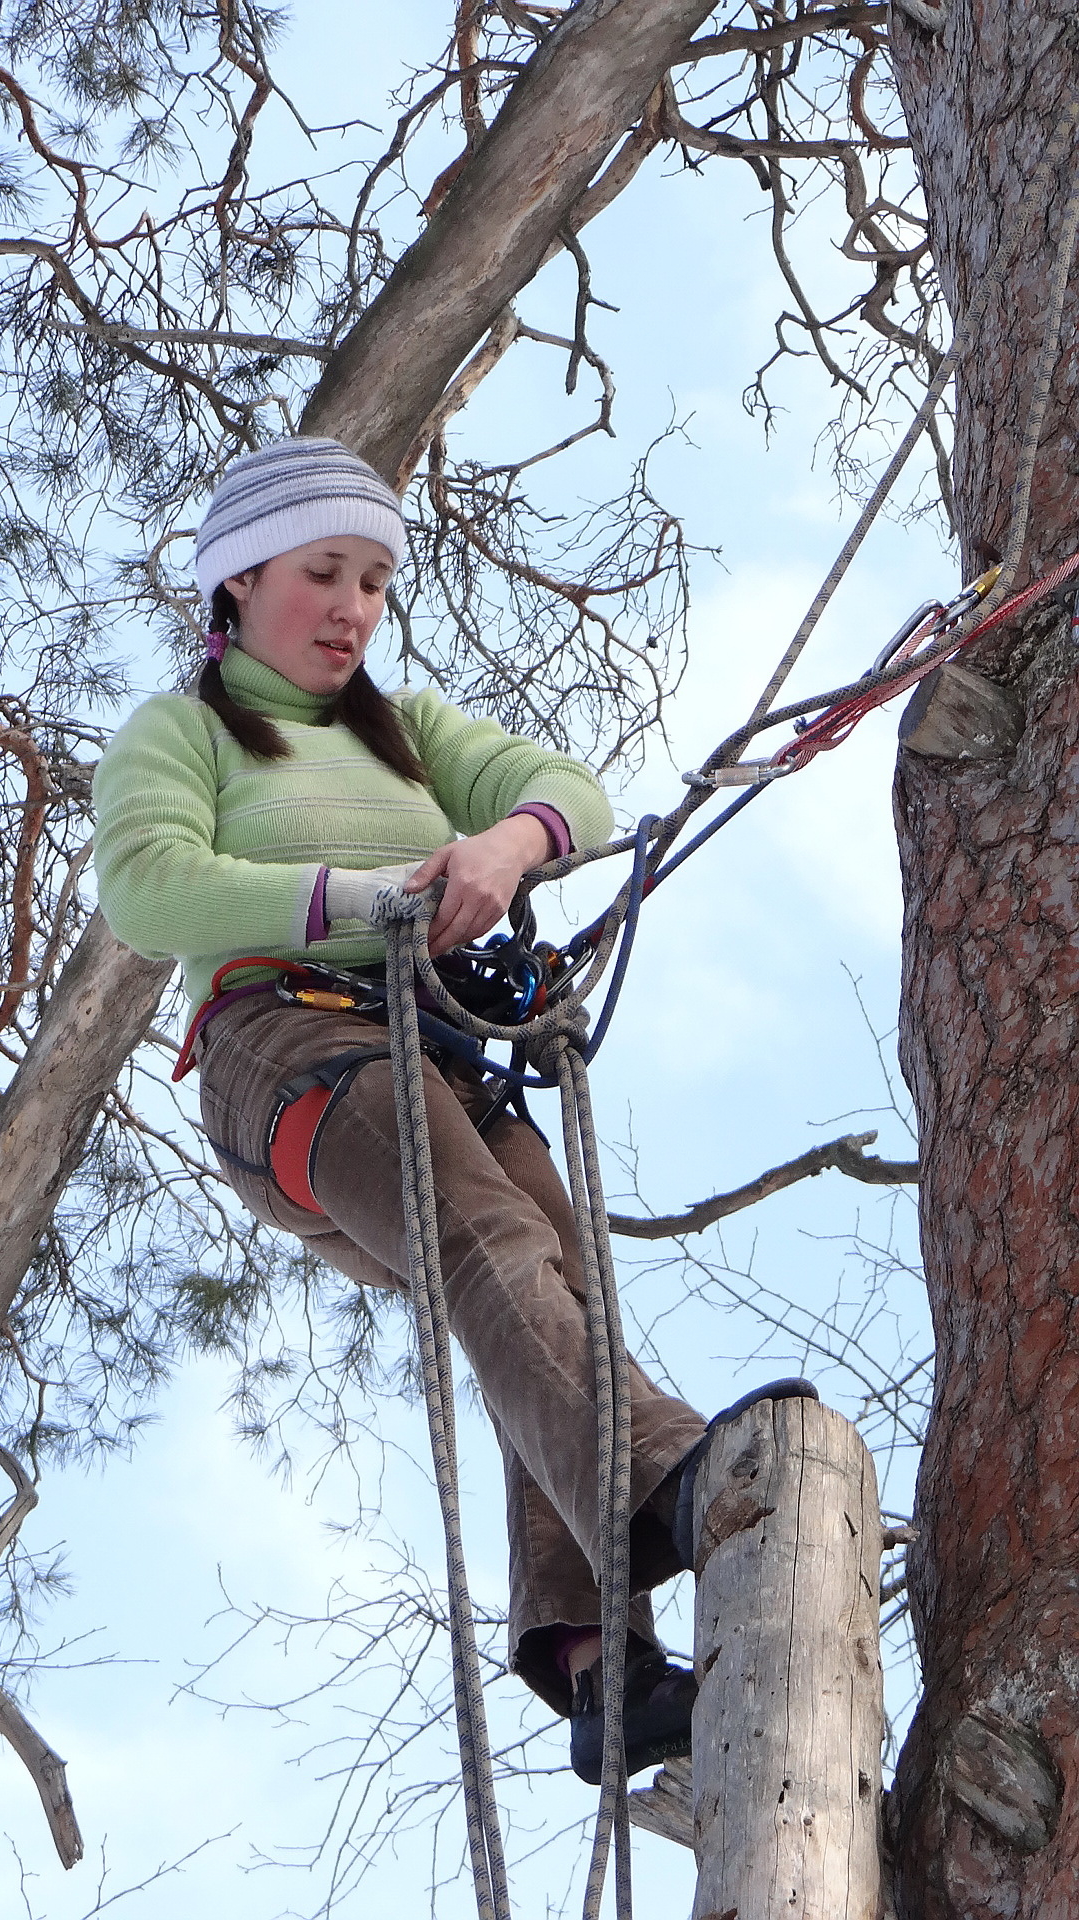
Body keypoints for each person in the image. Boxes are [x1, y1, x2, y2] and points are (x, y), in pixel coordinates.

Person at [92, 437, 815, 1784]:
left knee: (555, 1286)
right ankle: (668, 1476)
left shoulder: (410, 732)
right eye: (325, 573)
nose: (356, 606)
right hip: (285, 1043)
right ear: (238, 583)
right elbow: (148, 886)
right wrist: (358, 903)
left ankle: (598, 1657)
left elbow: (572, 796)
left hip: (439, 1045)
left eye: (373, 579)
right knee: (485, 1237)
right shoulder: (183, 733)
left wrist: (502, 846)